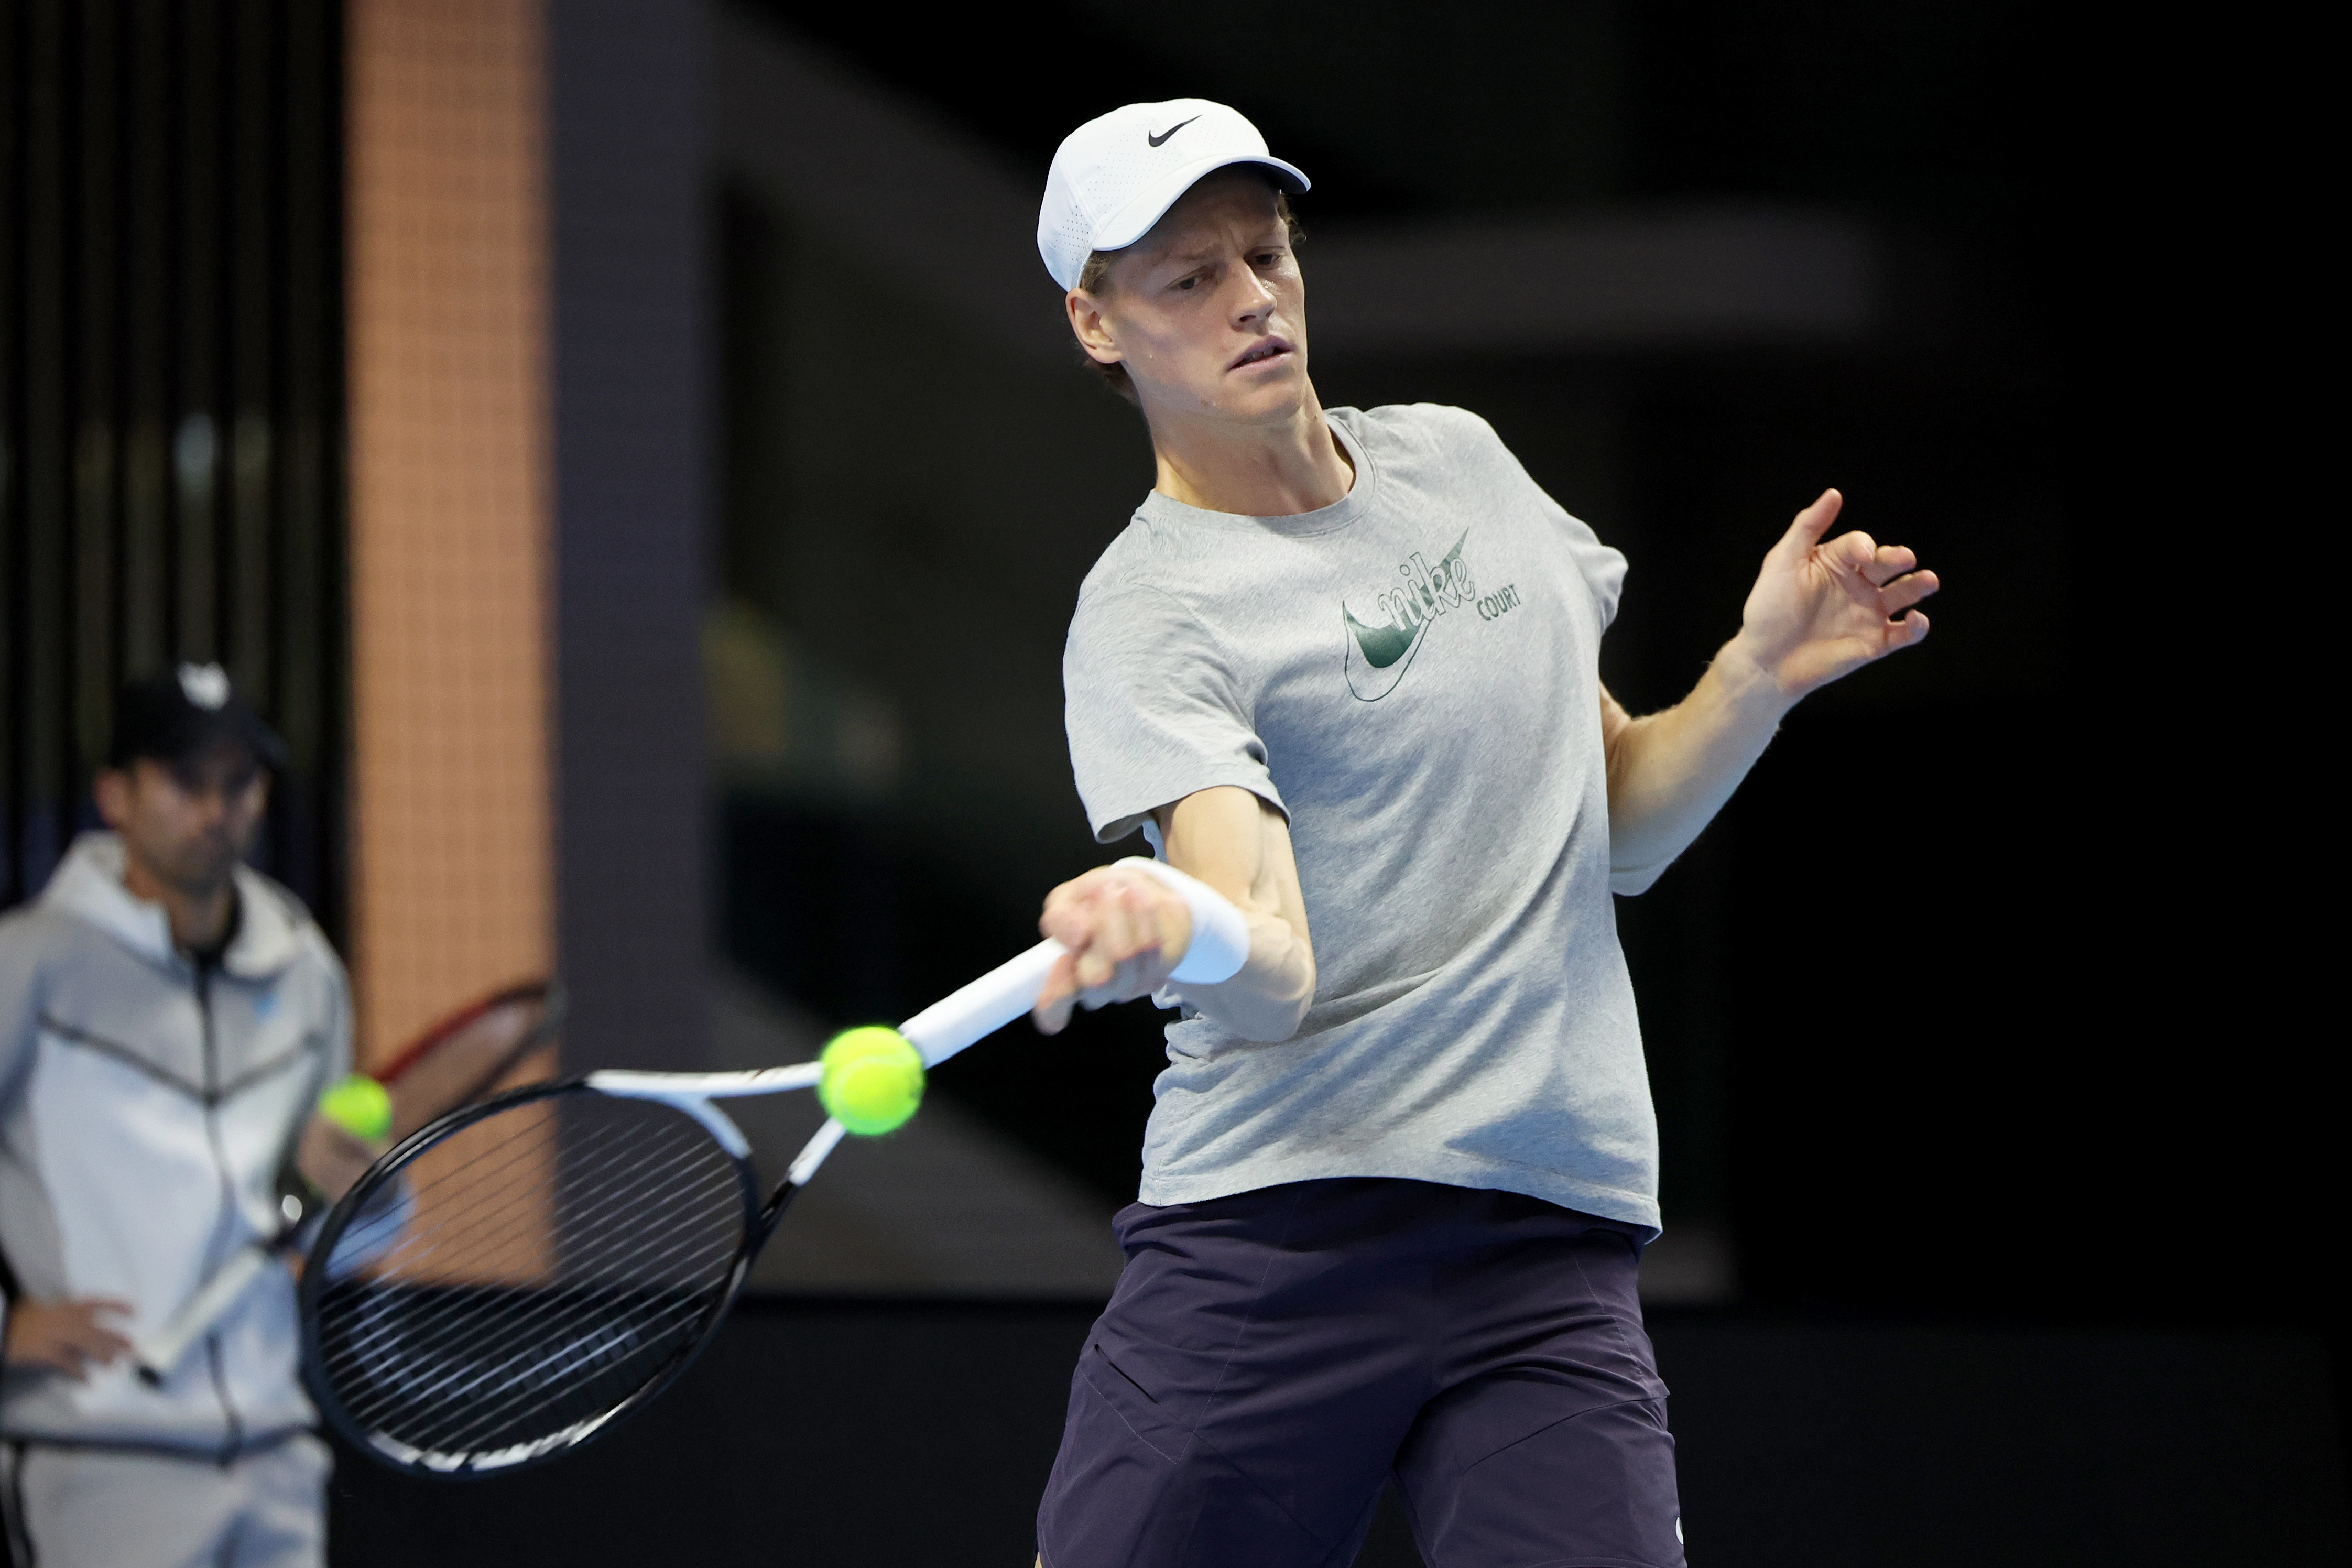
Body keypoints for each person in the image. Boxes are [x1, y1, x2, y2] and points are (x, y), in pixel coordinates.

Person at [1023, 102, 1937, 1568]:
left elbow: (1612, 817)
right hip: (1274, 1241)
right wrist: (1180, 923)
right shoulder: (1153, 612)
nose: (1252, 298)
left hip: (1544, 1244)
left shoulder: (1462, 463)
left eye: (1267, 253)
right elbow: (1269, 964)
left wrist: (1756, 675)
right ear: (1096, 321)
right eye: (1189, 277)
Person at [0, 665, 374, 1568]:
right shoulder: (28, 966)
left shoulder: (307, 974)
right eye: (184, 781)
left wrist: (365, 1199)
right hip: (99, 1459)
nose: (215, 809)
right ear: (115, 797)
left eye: (238, 783)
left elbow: (327, 1230)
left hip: (278, 1459)